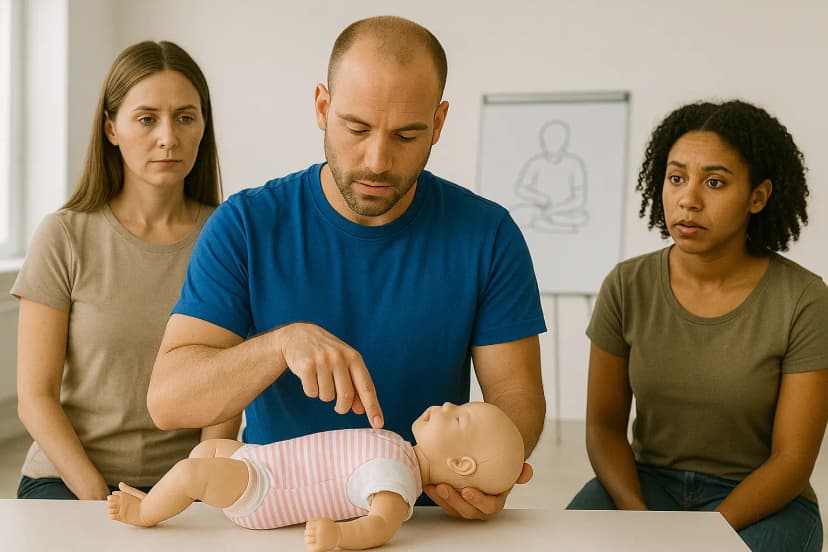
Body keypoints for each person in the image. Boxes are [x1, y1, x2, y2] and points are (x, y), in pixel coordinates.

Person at [146, 16, 547, 520]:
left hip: (424, 520)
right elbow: (169, 400)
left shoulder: (488, 235)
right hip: (275, 515)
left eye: (406, 135)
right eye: (356, 129)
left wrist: (494, 466)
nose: (377, 160)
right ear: (322, 107)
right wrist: (279, 344)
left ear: (439, 124)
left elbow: (517, 394)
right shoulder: (246, 225)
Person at [567, 99, 828, 551]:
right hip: (643, 489)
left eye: (714, 182)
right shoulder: (627, 285)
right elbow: (604, 427)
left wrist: (702, 535)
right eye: (676, 178)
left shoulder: (804, 299)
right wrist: (638, 518)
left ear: (758, 196)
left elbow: (791, 460)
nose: (688, 198)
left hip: (762, 502)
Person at [11, 41, 235, 501]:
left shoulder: (228, 234)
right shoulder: (63, 236)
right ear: (111, 129)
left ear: (203, 126)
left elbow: (224, 389)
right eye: (147, 118)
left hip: (185, 485)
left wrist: (198, 491)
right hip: (70, 483)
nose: (168, 137)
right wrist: (96, 496)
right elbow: (35, 397)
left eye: (185, 117)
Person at [107, 402, 525, 550]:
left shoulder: (395, 480)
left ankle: (145, 513)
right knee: (208, 451)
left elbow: (381, 526)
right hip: (263, 460)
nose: (449, 405)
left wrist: (339, 537)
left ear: (461, 467)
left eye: (461, 418)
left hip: (265, 492)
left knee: (190, 472)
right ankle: (164, 499)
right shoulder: (399, 448)